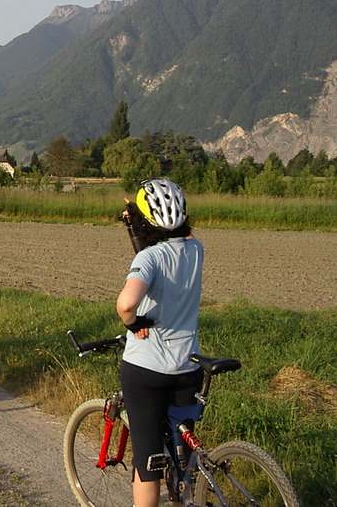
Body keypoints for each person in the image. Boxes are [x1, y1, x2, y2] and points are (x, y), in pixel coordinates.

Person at [116, 178, 203, 507]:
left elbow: (126, 303)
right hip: (188, 366)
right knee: (184, 457)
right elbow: (170, 252)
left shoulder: (149, 259)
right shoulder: (196, 249)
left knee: (149, 460)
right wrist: (138, 221)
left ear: (142, 220)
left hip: (147, 370)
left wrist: (133, 321)